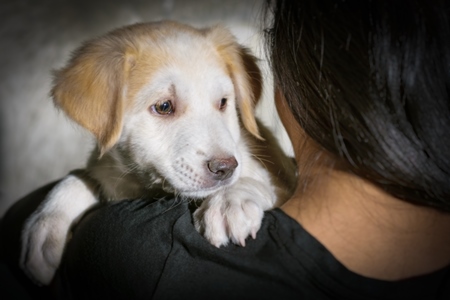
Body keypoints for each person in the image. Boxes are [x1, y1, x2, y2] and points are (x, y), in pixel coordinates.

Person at [1, 0, 449, 299]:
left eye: (222, 102)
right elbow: (104, 177)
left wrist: (246, 189)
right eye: (164, 106)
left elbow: (274, 182)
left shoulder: (145, 259)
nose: (222, 152)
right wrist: (69, 198)